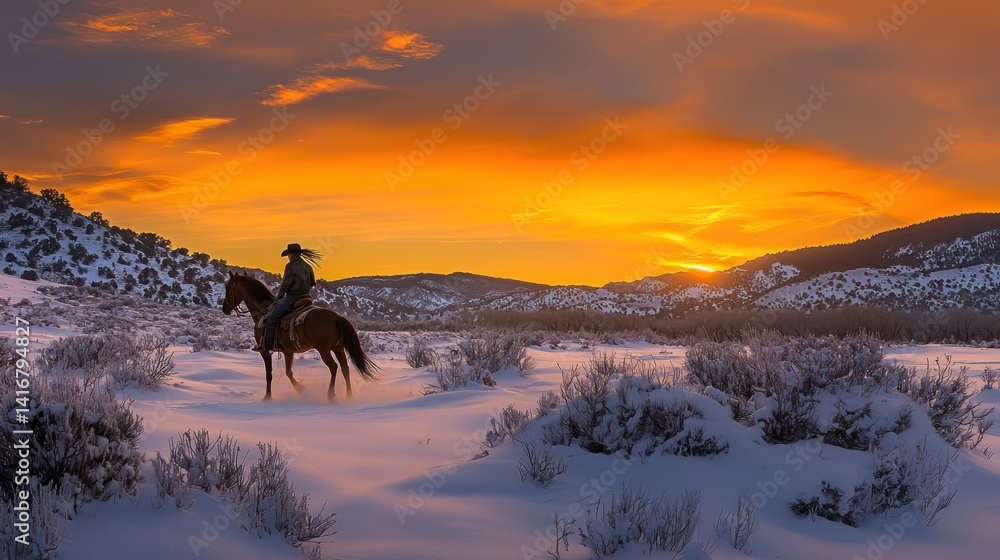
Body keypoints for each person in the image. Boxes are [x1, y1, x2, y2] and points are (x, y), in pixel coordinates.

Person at [254, 243, 322, 353]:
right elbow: (312, 283)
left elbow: (286, 284)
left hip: (292, 297)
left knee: (272, 318)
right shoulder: (308, 266)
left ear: (291, 254)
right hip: (306, 297)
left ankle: (268, 344)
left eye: (288, 254)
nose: (288, 257)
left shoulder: (290, 266)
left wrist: (279, 297)